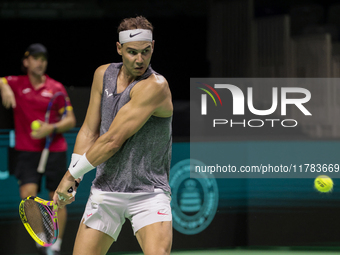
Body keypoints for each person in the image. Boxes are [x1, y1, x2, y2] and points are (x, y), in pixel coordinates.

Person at [53, 16, 173, 255]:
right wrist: (75, 179)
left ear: (153, 47)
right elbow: (89, 130)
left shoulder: (155, 86)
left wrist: (69, 175)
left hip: (148, 193)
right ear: (119, 48)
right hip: (106, 189)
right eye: (131, 52)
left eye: (145, 52)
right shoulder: (103, 75)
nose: (139, 60)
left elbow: (111, 141)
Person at [0, 43, 76, 255]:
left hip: (54, 148)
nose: (40, 62)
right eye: (35, 58)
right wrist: (3, 85)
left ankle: (56, 247)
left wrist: (50, 128)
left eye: (43, 58)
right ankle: (43, 238)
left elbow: (70, 120)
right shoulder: (16, 83)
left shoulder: (56, 88)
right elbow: (2, 79)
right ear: (26, 62)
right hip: (26, 151)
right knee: (28, 196)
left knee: (58, 198)